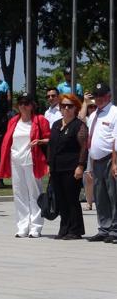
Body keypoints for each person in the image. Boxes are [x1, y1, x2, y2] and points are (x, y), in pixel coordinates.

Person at [0, 92, 50, 238]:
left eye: (26, 103)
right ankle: (22, 226)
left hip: (32, 160)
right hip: (16, 160)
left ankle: (36, 227)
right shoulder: (13, 121)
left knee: (34, 193)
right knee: (19, 193)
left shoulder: (39, 120)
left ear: (33, 105)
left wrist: (39, 142)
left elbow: (50, 138)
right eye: (20, 103)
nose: (23, 106)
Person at [48, 94, 88, 240]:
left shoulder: (79, 125)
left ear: (76, 108)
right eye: (63, 106)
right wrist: (49, 165)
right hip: (56, 168)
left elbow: (84, 148)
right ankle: (64, 228)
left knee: (72, 199)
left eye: (70, 106)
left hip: (72, 168)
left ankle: (75, 230)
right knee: (61, 199)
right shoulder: (56, 124)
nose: (66, 109)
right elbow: (51, 146)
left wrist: (81, 166)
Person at [83, 83, 117, 243]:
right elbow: (83, 125)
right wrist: (84, 103)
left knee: (113, 195)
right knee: (100, 195)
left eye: (102, 96)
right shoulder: (94, 114)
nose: (99, 99)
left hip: (110, 159)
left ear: (109, 96)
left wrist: (115, 163)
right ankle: (104, 228)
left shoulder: (114, 112)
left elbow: (116, 140)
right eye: (96, 96)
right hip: (96, 160)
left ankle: (115, 229)